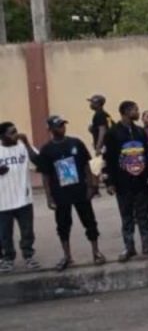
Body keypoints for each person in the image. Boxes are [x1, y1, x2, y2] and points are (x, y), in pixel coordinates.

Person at [34, 116, 106, 271]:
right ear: (50, 129)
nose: (62, 127)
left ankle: (96, 252)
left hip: (80, 190)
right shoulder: (46, 150)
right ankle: (67, 256)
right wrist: (49, 197)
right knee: (63, 225)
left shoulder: (75, 143)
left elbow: (86, 165)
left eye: (63, 124)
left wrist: (92, 186)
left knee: (89, 222)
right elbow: (45, 176)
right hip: (61, 193)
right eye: (58, 126)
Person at [103, 100, 148, 261]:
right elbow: (107, 159)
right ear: (126, 112)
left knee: (143, 216)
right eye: (135, 110)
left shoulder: (140, 132)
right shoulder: (112, 133)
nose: (138, 113)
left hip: (141, 183)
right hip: (122, 183)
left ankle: (147, 246)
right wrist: (109, 182)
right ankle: (129, 247)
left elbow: (147, 156)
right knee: (126, 217)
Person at [0, 122, 39, 273]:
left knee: (27, 231)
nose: (16, 134)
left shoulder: (23, 146)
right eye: (12, 132)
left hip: (24, 198)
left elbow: (38, 161)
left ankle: (29, 256)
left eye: (16, 130)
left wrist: (27, 142)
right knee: (4, 234)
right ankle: (8, 258)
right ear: (2, 136)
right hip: (3, 201)